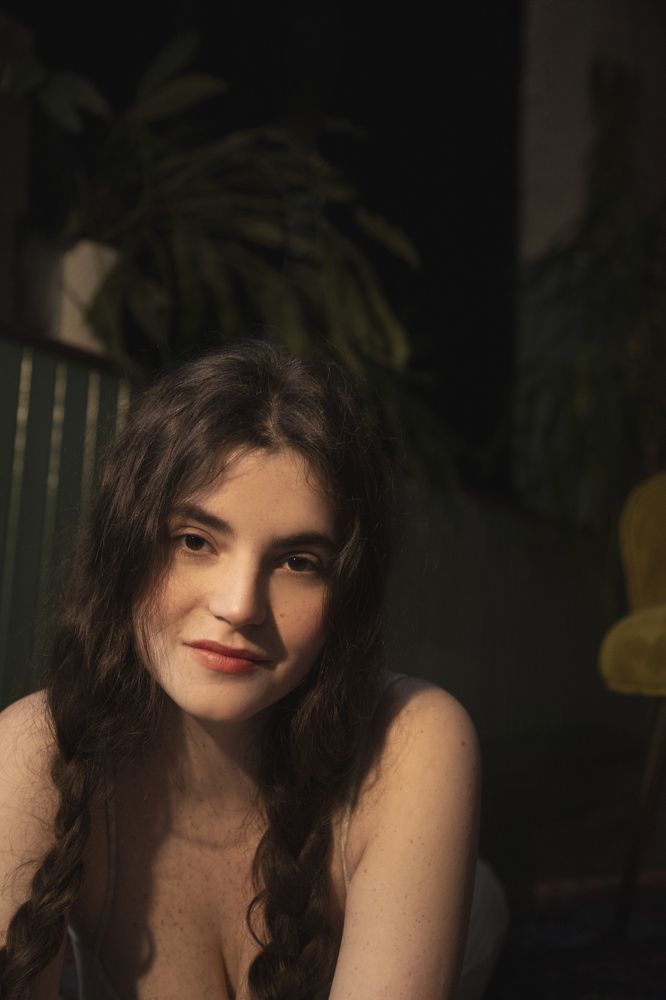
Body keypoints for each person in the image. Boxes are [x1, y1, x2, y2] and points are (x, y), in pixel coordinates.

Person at [0, 342, 505, 1000]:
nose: (239, 606)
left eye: (298, 562)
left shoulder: (412, 741)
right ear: (124, 549)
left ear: (347, 595)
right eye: (194, 541)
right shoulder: (38, 748)